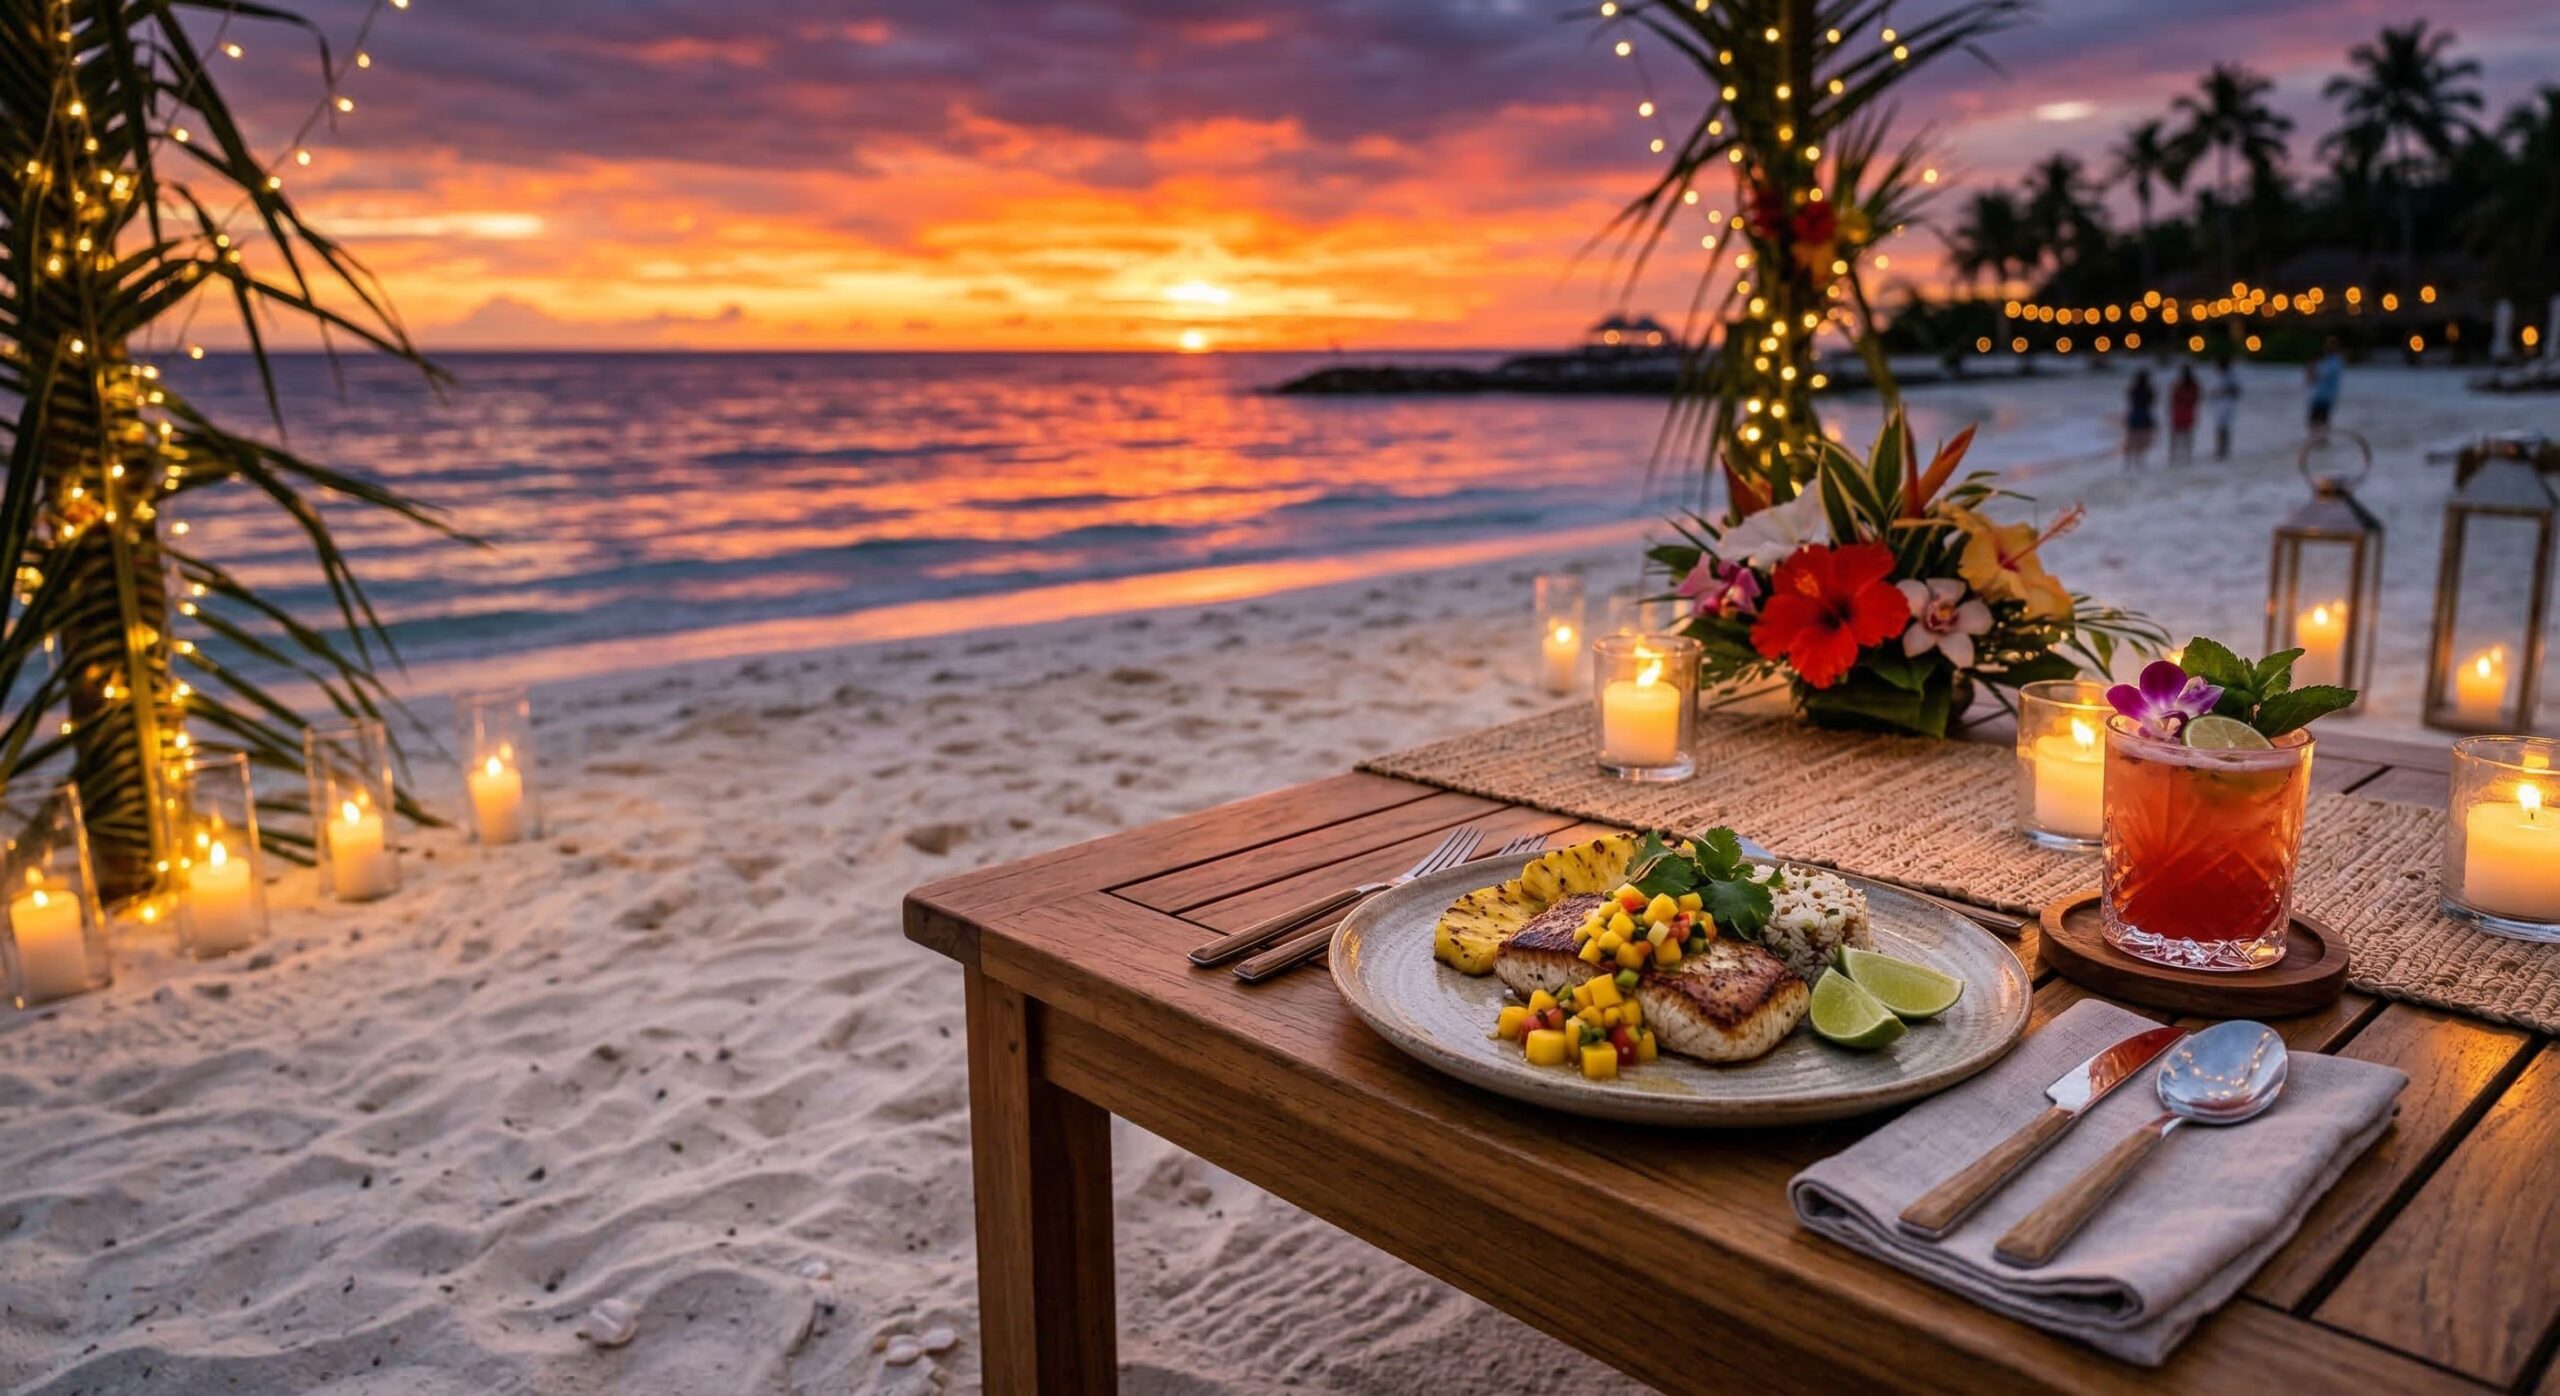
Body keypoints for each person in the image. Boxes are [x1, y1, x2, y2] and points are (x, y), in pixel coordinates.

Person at [2305, 338, 2344, 442]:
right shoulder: (2326, 361)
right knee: (2315, 422)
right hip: (2319, 396)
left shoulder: (2335, 362)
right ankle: (2317, 443)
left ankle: (2320, 443)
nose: (2327, 348)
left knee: (2321, 422)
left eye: (2331, 346)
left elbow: (2318, 375)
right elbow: (2311, 379)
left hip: (2326, 397)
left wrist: (2311, 369)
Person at [2123, 369, 2156, 467]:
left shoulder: (2134, 388)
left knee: (2132, 438)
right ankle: (2139, 460)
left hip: (2135, 414)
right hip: (2144, 414)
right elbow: (2152, 401)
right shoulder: (2148, 389)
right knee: (2142, 439)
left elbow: (2129, 397)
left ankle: (2128, 461)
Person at [2209, 362, 2242, 460]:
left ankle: (2224, 449)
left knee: (2224, 428)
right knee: (2219, 428)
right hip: (2219, 406)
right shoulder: (2218, 377)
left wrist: (2223, 392)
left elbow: (2236, 391)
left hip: (2228, 406)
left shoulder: (2231, 378)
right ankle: (2219, 448)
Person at [2167, 365, 2200, 463]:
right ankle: (2188, 455)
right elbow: (2197, 398)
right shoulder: (2194, 385)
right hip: (2188, 412)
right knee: (2187, 435)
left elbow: (2173, 399)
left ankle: (2173, 455)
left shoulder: (2178, 385)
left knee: (2175, 436)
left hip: (2178, 412)